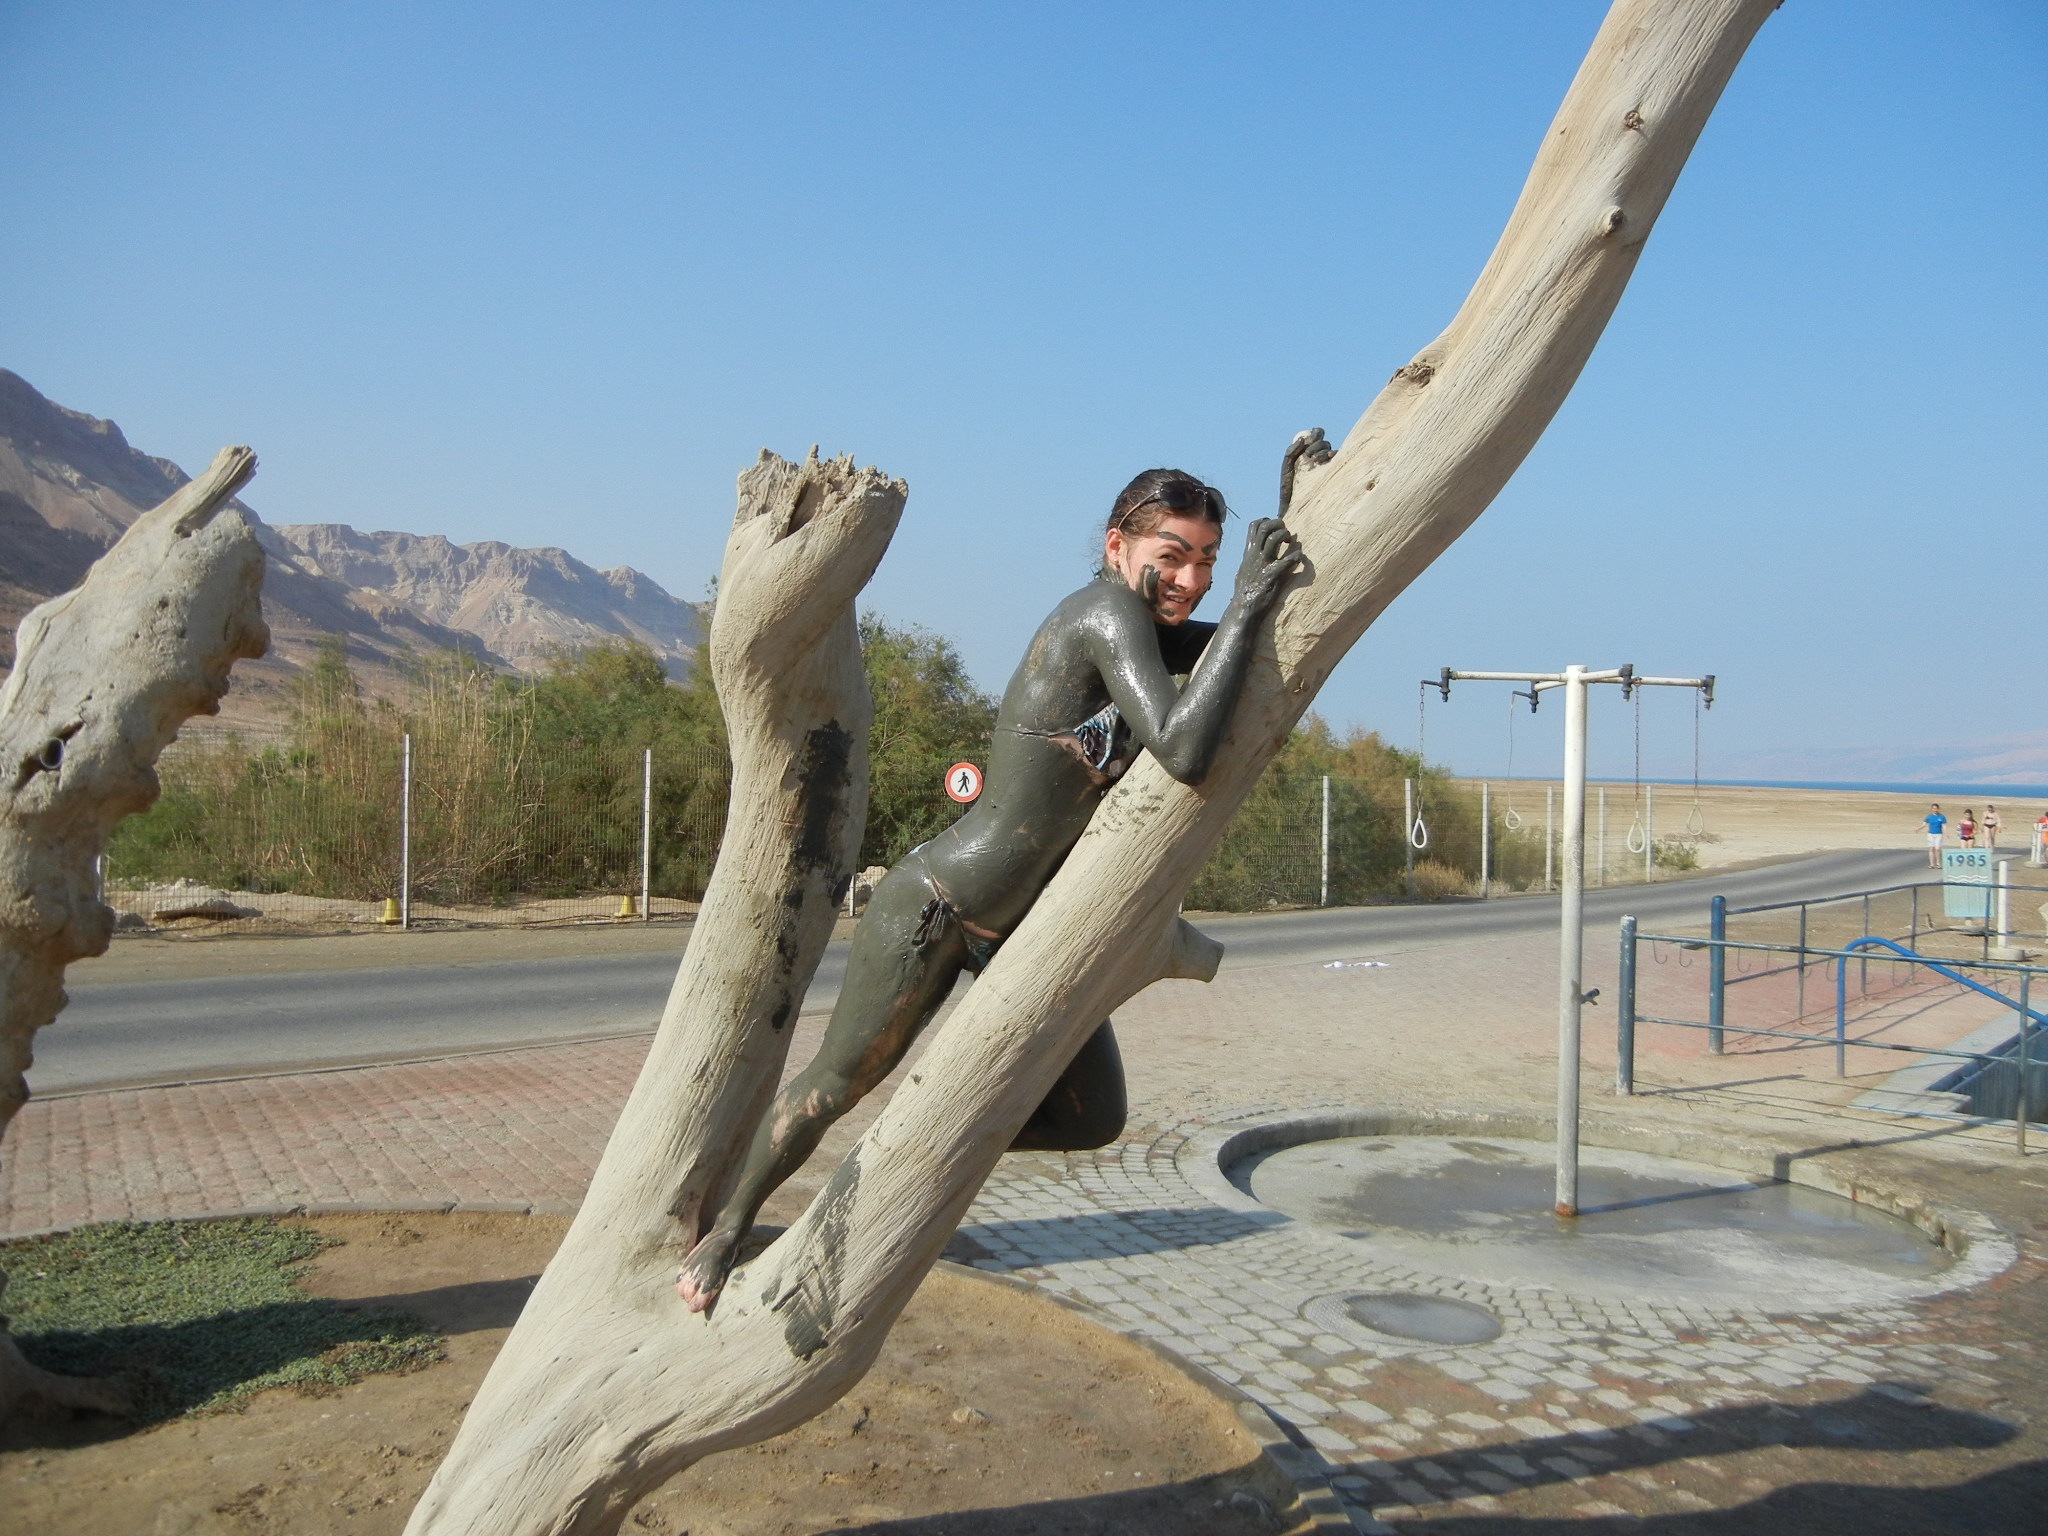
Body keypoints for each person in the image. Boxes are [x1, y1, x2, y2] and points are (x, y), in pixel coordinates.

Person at [673, 432, 1325, 1311]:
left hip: (1025, 929)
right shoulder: (1105, 614)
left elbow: (1248, 647)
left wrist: (1292, 518)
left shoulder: (1148, 630)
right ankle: (727, 1229)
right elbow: (1185, 746)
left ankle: (904, 1152)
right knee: (836, 1081)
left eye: (1208, 561)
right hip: (941, 903)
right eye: (1173, 556)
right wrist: (1244, 603)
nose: (1193, 579)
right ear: (1118, 547)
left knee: (1093, 1118)